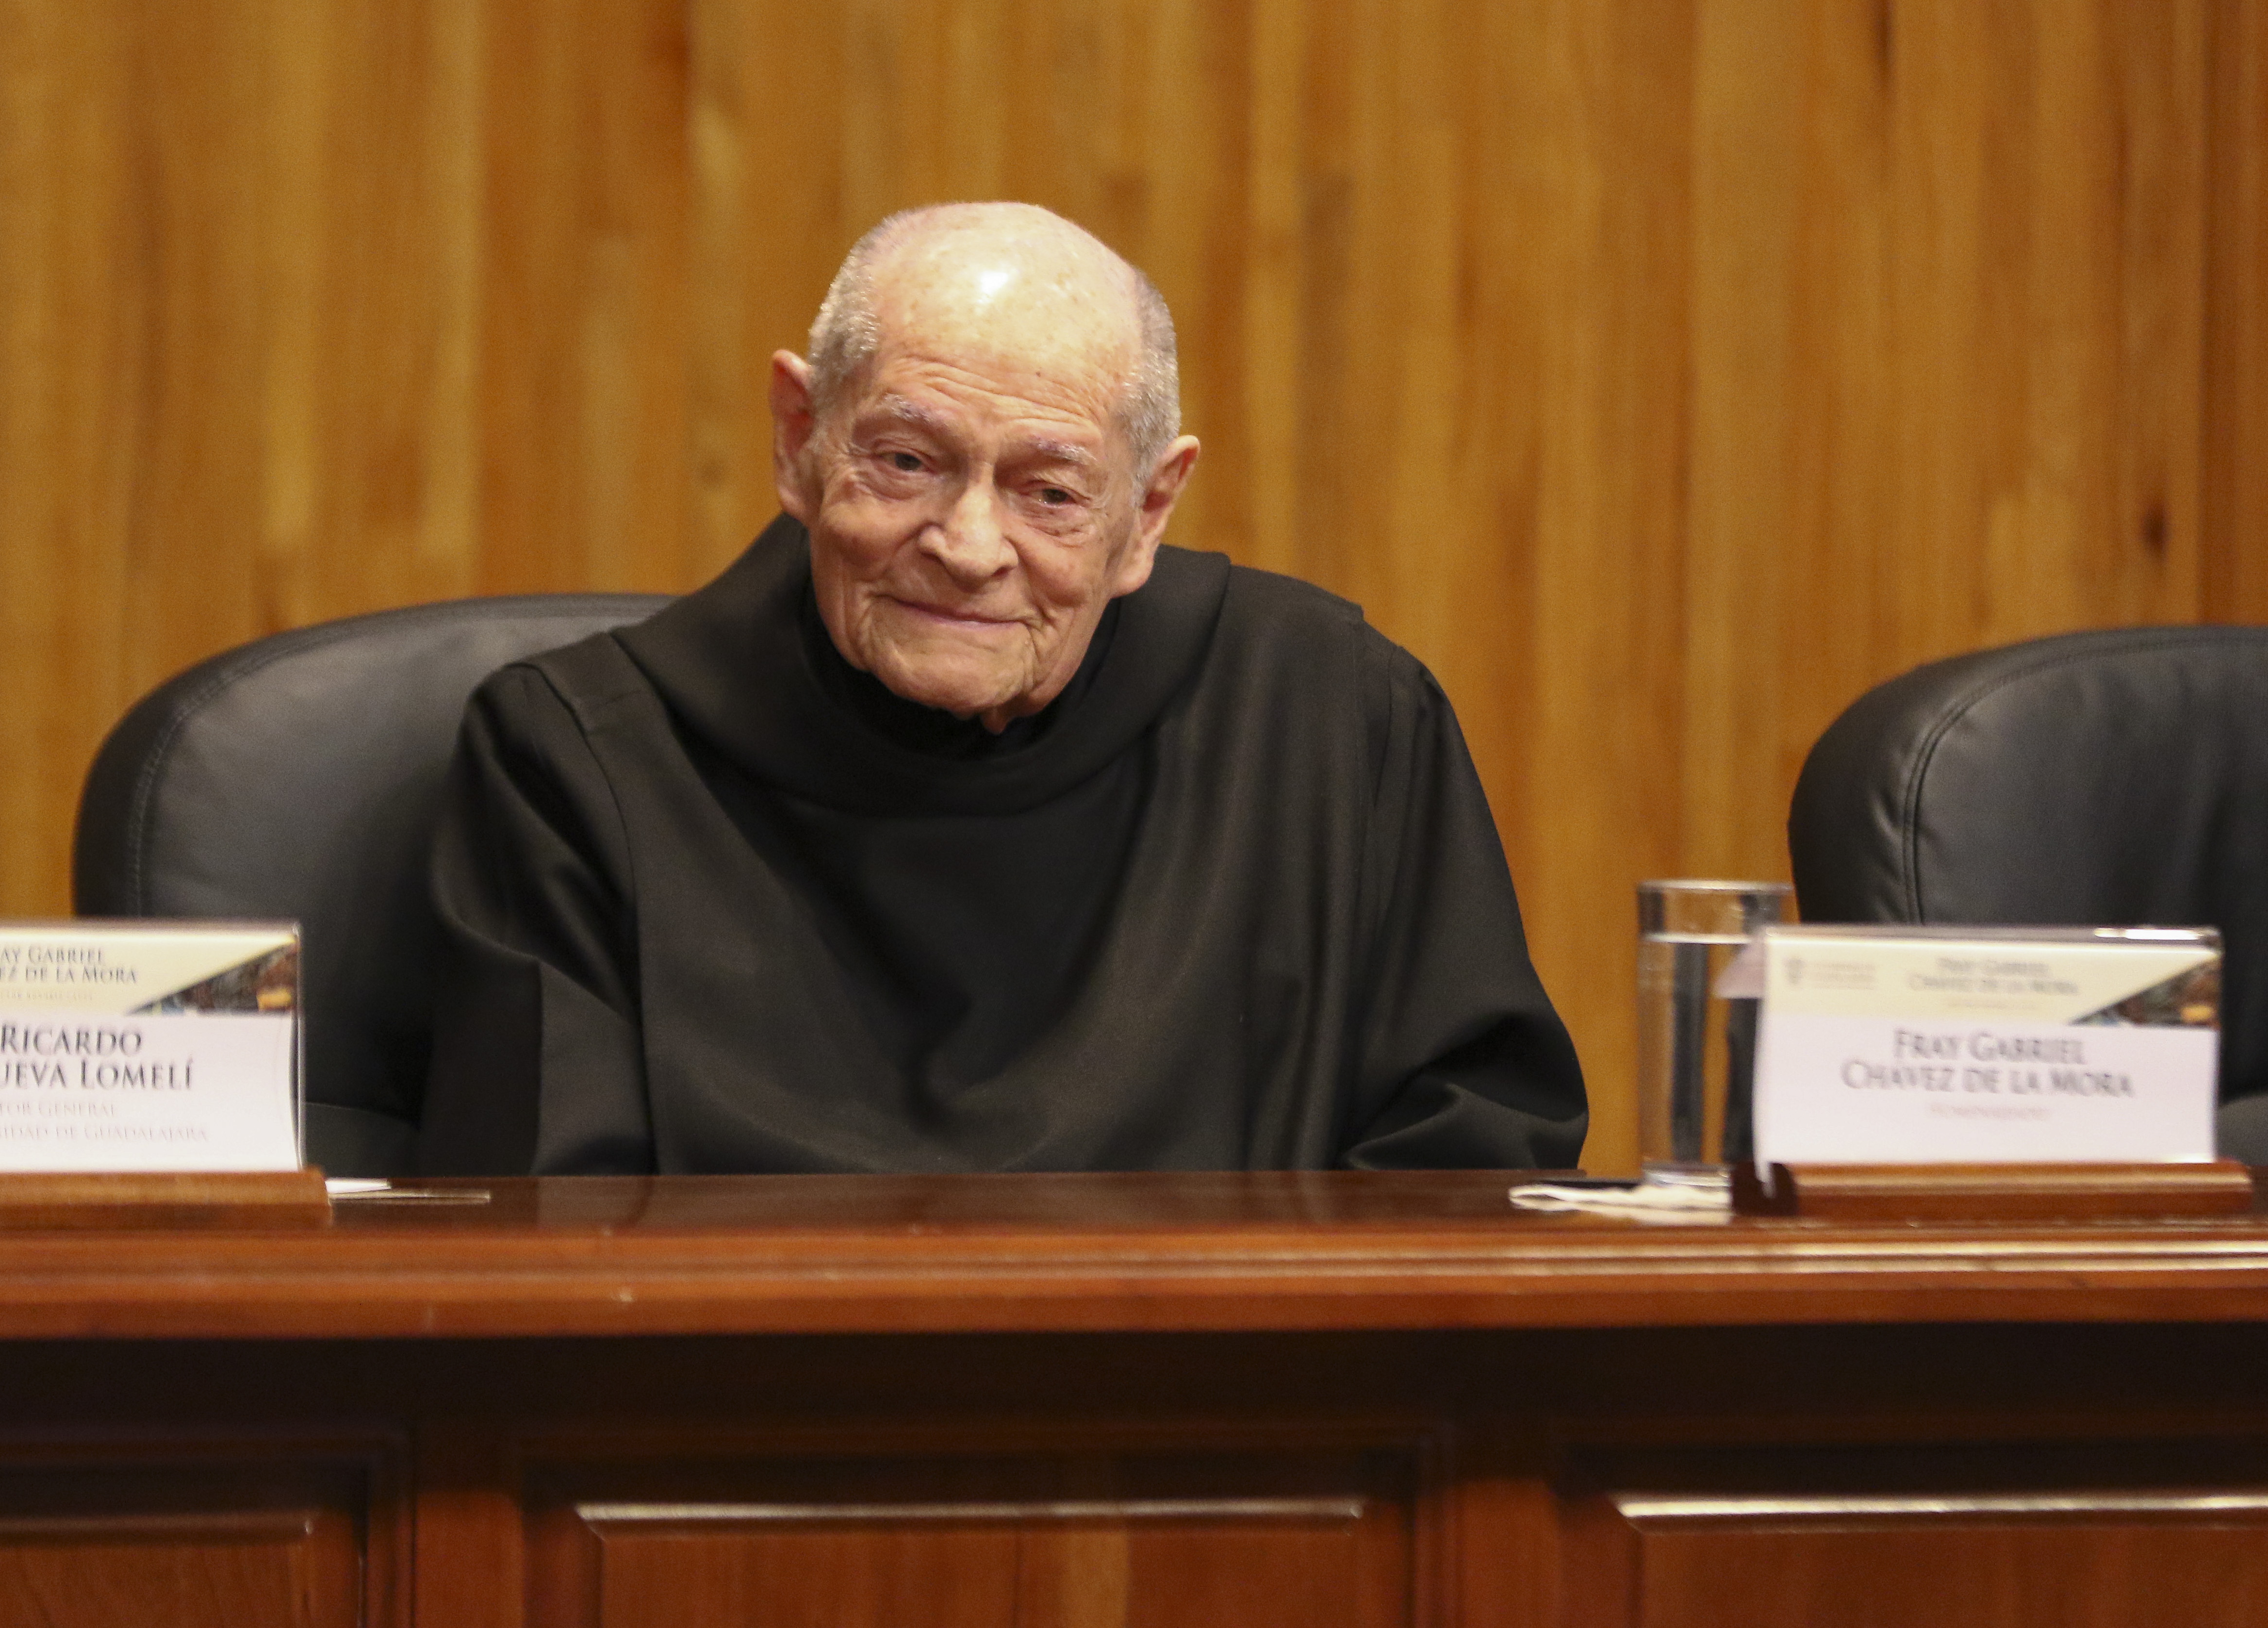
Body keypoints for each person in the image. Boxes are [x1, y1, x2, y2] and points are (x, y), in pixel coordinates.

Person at [414, 201, 1586, 1175]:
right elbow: (541, 1255)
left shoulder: (1334, 722)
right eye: (907, 461)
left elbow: (1471, 1172)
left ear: (1149, 511)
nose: (969, 546)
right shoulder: (579, 762)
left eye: (1050, 492)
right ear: (798, 437)